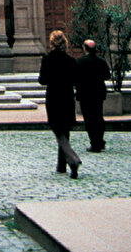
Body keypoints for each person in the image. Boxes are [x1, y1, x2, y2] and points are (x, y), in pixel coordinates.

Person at [38, 29, 82, 178]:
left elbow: (42, 80)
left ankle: (73, 159)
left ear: (51, 43)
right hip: (67, 97)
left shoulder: (47, 59)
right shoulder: (71, 60)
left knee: (58, 131)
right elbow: (76, 80)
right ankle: (61, 165)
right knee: (65, 130)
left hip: (53, 97)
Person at [75, 38, 110, 152]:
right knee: (98, 116)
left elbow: (75, 77)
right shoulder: (101, 61)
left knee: (89, 119)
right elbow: (107, 76)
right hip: (98, 93)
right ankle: (100, 140)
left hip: (85, 93)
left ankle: (95, 143)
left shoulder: (80, 62)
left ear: (84, 48)